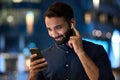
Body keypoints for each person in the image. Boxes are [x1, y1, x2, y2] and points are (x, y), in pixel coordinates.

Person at [28, 2, 115, 80]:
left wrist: (81, 53)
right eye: (49, 29)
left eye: (58, 27)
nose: (54, 34)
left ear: (72, 23)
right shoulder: (44, 57)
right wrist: (33, 74)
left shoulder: (97, 51)